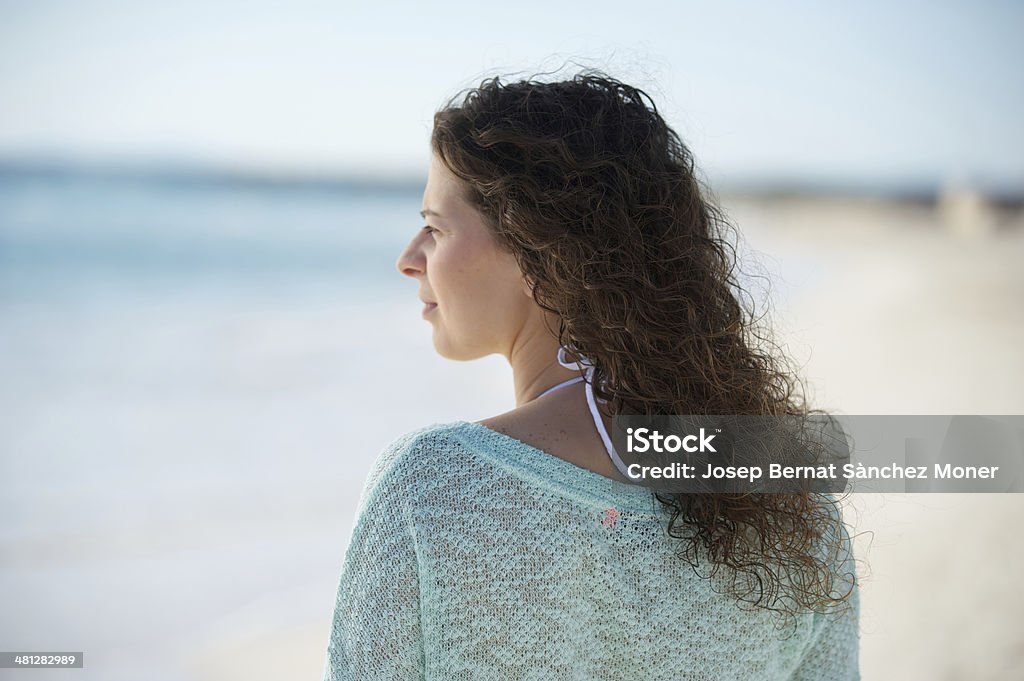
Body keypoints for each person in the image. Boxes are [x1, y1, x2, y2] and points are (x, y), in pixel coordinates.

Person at [321, 70, 859, 680]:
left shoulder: (434, 487)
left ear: (539, 251)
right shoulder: (789, 497)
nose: (409, 258)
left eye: (436, 228)